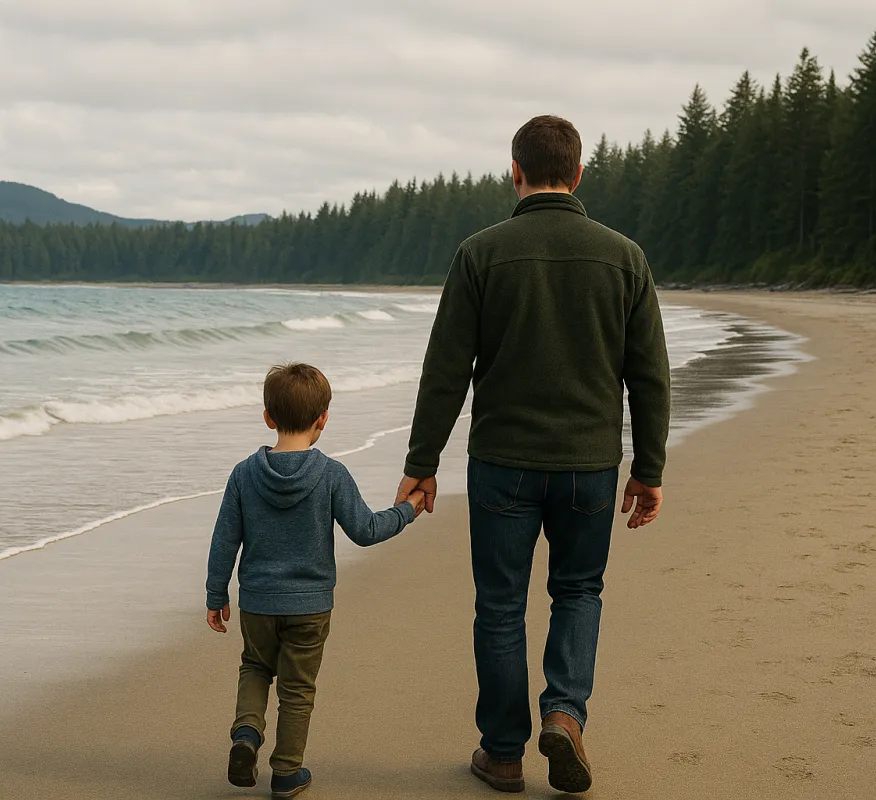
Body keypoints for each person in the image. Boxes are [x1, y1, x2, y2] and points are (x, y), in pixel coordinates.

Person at [396, 115, 671, 794]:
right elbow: (651, 374)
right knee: (578, 590)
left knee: (500, 604)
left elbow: (446, 369)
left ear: (513, 171)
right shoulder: (624, 256)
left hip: (502, 464)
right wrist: (649, 470)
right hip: (588, 465)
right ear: (578, 175)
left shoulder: (480, 253)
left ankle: (503, 751)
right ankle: (565, 715)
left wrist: (421, 462)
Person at [206, 362, 426, 799]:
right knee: (297, 688)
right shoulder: (330, 474)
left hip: (257, 602)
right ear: (323, 418)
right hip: (310, 605)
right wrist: (409, 509)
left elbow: (224, 539)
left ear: (268, 417)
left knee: (254, 666)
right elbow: (365, 530)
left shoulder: (244, 474)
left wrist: (216, 593)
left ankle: (246, 735)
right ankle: (286, 773)